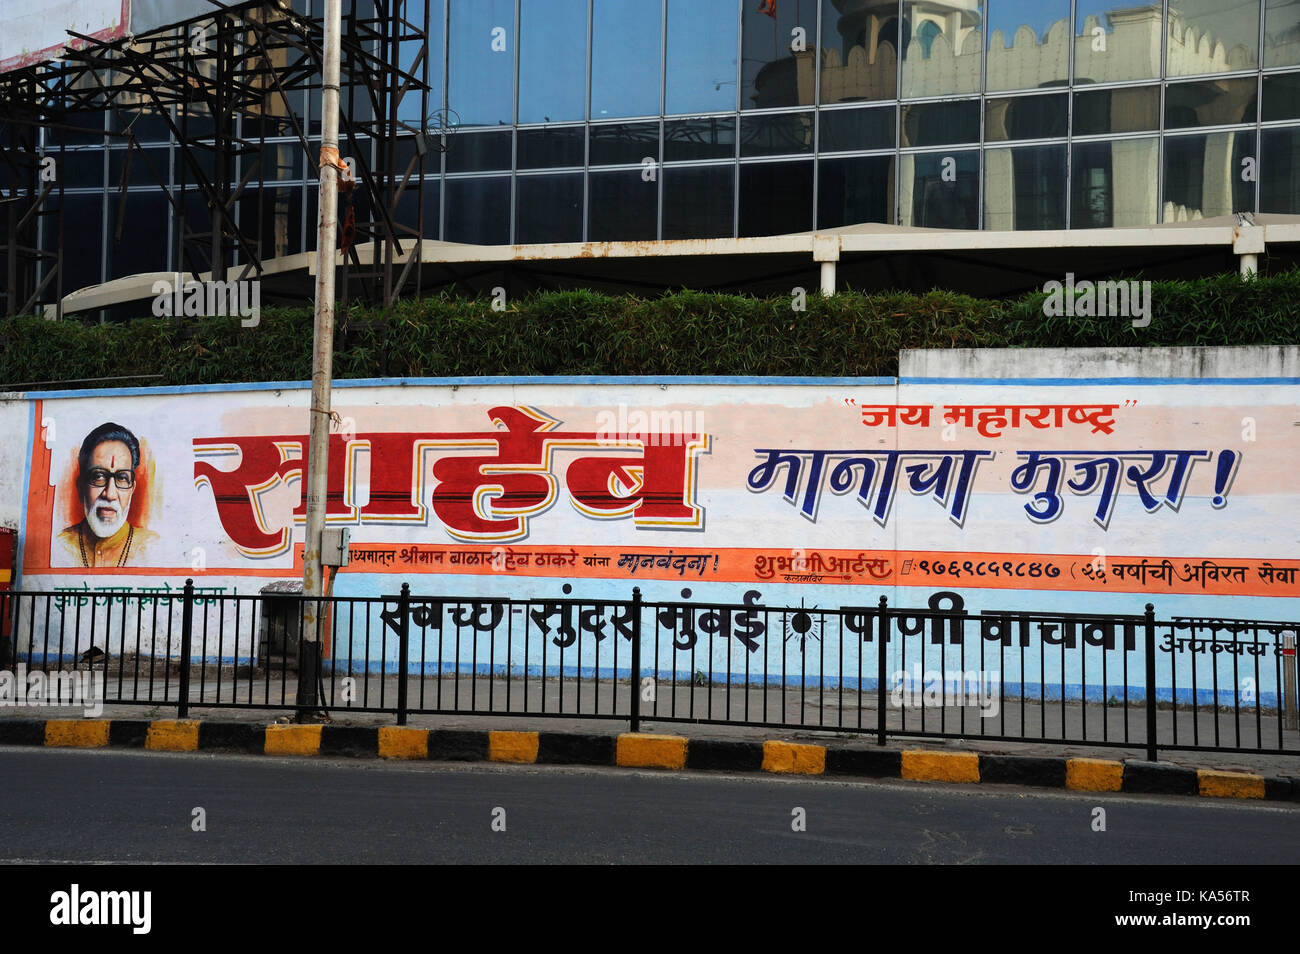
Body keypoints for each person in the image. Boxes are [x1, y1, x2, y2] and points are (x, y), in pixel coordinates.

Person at [55, 423, 159, 568]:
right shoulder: (59, 545)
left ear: (131, 490)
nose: (110, 494)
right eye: (98, 476)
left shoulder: (152, 547)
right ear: (81, 488)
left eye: (122, 478)